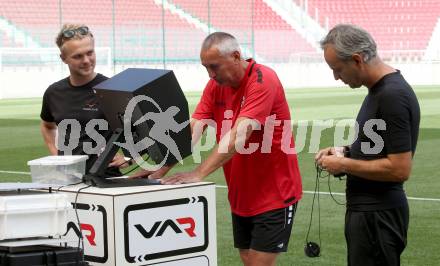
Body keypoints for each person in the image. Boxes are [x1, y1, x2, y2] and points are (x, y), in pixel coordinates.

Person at [136, 32, 303, 266]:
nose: (211, 75)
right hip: (241, 193)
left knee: (257, 263)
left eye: (214, 67)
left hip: (275, 192)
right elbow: (194, 129)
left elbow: (239, 135)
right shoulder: (215, 86)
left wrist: (198, 172)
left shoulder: (263, 79)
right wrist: (161, 168)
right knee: (248, 260)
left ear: (236, 56)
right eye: (206, 68)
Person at [315, 24, 420, 266]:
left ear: (357, 60)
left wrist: (344, 163)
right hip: (370, 214)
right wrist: (346, 152)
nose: (335, 77)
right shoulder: (379, 91)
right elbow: (377, 149)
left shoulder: (391, 95)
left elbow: (399, 169)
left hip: (378, 216)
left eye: (337, 69)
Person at [40, 24, 127, 175]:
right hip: (67, 179)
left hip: (104, 180)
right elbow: (47, 126)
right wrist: (56, 156)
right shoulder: (53, 92)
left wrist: (129, 156)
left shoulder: (113, 90)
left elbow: (142, 129)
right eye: (78, 56)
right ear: (63, 58)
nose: (86, 60)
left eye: (90, 53)